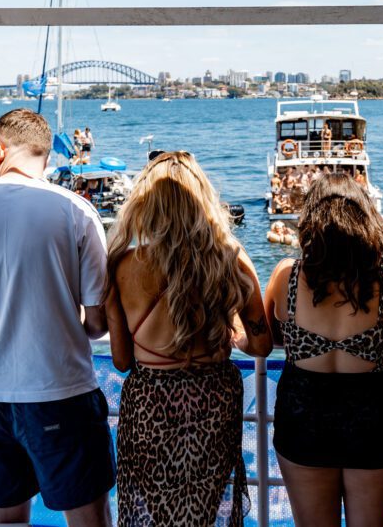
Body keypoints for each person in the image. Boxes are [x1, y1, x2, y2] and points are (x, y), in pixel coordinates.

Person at [0, 109, 115, 526]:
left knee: (6, 520)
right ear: (46, 158)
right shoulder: (75, 210)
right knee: (89, 519)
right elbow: (98, 323)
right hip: (60, 391)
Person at [104, 151, 272, 527]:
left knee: (157, 512)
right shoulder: (230, 258)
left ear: (145, 204)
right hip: (213, 399)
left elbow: (120, 360)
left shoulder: (121, 265)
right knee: (205, 511)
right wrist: (235, 332)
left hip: (150, 404)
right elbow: (261, 345)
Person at [265, 173, 383, 526]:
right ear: (366, 220)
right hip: (373, 419)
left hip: (302, 417)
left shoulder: (286, 277)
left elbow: (268, 336)